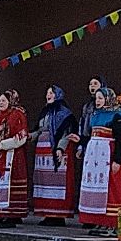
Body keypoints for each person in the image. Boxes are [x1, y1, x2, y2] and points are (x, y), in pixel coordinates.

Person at [78, 86, 121, 233]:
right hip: (94, 159)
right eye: (96, 98)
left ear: (108, 99)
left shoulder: (116, 115)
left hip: (107, 156)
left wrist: (117, 160)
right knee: (97, 187)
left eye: (101, 98)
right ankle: (99, 221)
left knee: (110, 187)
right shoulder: (95, 115)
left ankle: (112, 223)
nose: (98, 101)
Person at [0, 89, 31, 227]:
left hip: (14, 157)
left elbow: (22, 136)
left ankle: (12, 215)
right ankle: (1, 213)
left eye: (4, 100)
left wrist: (4, 144)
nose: (1, 103)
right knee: (0, 186)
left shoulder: (18, 115)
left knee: (11, 186)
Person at [32, 85, 77, 225]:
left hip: (56, 151)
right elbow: (40, 130)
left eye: (51, 93)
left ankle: (58, 215)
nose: (48, 95)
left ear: (58, 94)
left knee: (57, 183)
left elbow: (66, 134)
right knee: (45, 183)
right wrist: (29, 136)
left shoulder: (64, 113)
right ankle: (47, 213)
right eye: (47, 93)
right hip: (42, 153)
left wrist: (60, 148)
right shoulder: (45, 112)